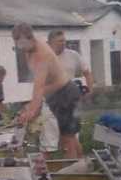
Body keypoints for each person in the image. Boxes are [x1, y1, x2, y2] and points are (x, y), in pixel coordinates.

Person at [14, 23, 83, 159]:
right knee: (70, 137)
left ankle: (76, 173)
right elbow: (38, 83)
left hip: (65, 94)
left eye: (22, 43)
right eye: (17, 43)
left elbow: (39, 85)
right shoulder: (29, 48)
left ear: (31, 38)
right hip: (54, 97)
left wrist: (32, 110)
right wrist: (32, 106)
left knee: (66, 139)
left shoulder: (42, 53)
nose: (20, 47)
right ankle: (85, 165)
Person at [48, 30, 95, 101]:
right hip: (52, 100)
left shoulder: (73, 55)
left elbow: (88, 74)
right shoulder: (45, 58)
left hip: (70, 99)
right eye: (60, 41)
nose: (63, 43)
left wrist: (90, 91)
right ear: (51, 43)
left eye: (64, 40)